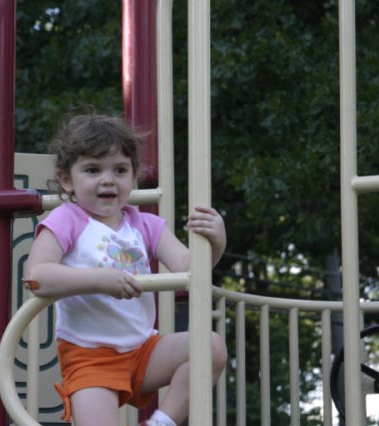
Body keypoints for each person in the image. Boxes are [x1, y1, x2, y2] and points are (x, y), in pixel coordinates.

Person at [24, 113, 228, 426]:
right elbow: (36, 275)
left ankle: (161, 423)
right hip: (90, 356)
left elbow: (190, 270)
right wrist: (99, 280)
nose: (108, 179)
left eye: (119, 170)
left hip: (144, 349)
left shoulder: (146, 225)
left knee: (210, 346)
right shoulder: (67, 220)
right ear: (67, 180)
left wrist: (217, 243)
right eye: (93, 170)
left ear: (133, 177)